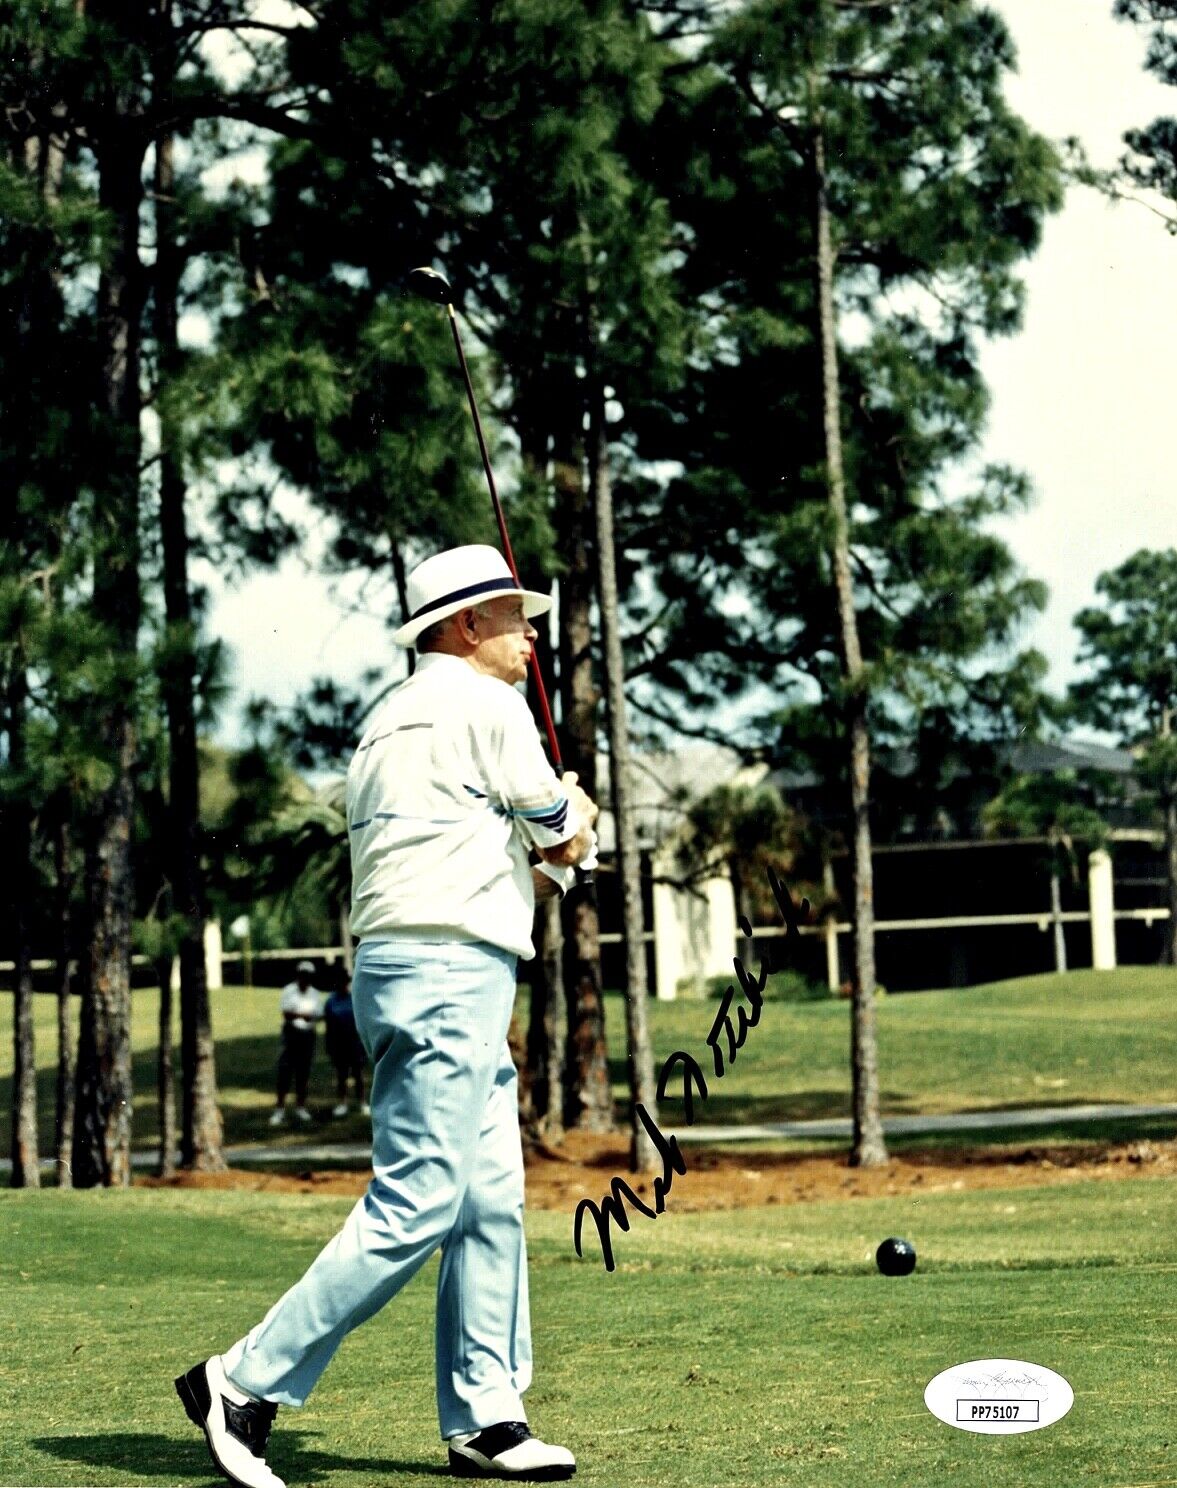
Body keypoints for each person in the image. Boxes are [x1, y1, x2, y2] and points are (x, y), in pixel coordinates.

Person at [176, 545, 598, 1486]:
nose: (529, 634)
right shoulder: (489, 707)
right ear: (463, 626)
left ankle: (487, 1416)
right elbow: (559, 833)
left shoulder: (387, 723)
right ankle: (242, 1381)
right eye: (511, 616)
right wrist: (583, 824)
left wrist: (552, 849)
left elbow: (466, 855)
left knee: (487, 1198)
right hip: (449, 971)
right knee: (417, 1202)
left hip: (422, 968)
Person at [268, 960, 324, 1127]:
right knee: (285, 1072)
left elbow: (319, 1014)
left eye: (308, 976)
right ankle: (279, 1109)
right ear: (298, 975)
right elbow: (286, 1014)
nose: (305, 979)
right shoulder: (289, 990)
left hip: (307, 1035)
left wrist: (303, 1015)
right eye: (302, 975)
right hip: (291, 1034)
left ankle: (300, 1107)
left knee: (303, 1072)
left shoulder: (314, 993)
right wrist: (304, 1015)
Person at [322, 966, 368, 1118]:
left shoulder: (357, 997)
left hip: (355, 1042)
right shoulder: (331, 1001)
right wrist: (329, 1045)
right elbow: (328, 1025)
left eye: (347, 981)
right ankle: (342, 1103)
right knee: (342, 1075)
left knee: (358, 1074)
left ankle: (362, 1102)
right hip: (339, 1043)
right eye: (342, 981)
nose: (345, 984)